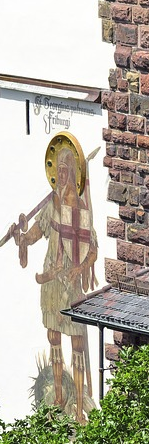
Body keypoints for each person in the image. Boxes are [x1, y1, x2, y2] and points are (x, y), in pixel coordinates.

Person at [10, 145, 96, 422]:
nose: (60, 175)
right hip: (51, 281)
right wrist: (19, 235)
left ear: (73, 173)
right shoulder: (50, 206)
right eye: (57, 169)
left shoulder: (82, 210)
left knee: (78, 342)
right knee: (53, 337)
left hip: (71, 283)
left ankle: (80, 403)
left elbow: (91, 247)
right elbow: (33, 236)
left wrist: (81, 268)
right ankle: (59, 395)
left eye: (65, 169)